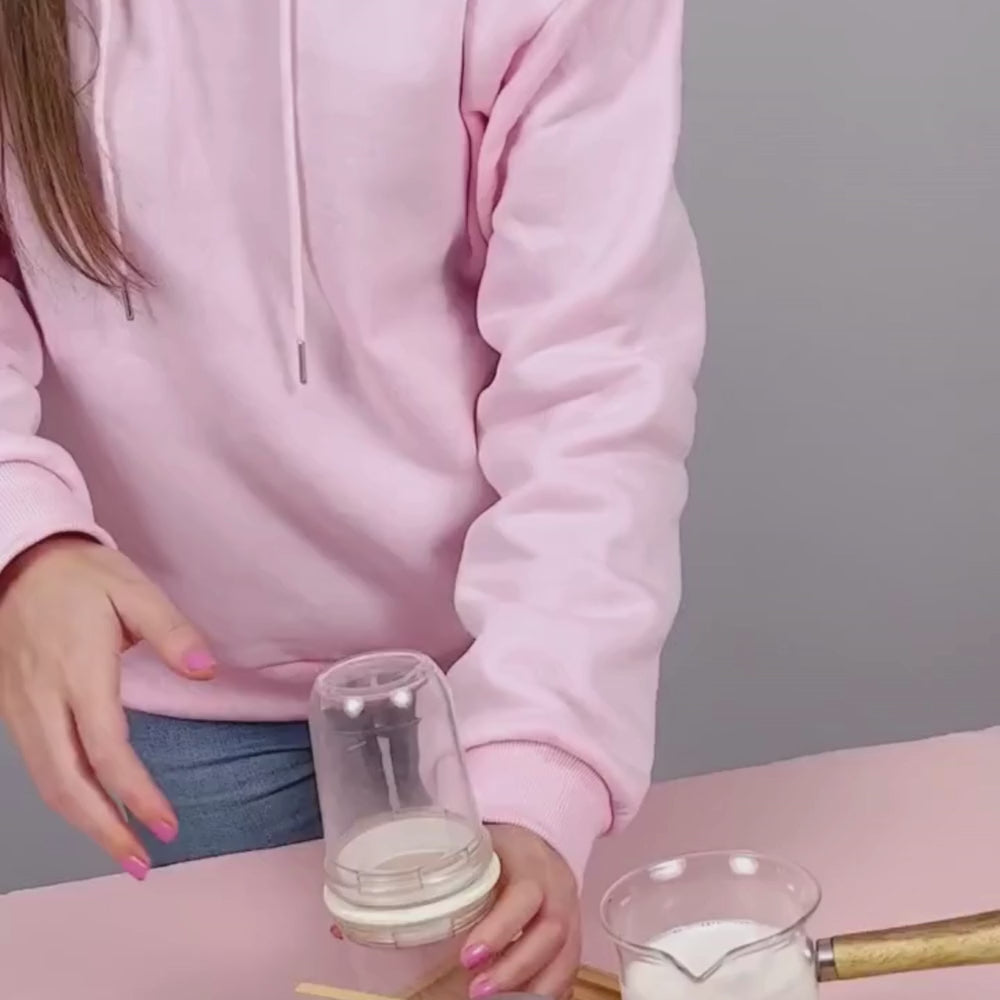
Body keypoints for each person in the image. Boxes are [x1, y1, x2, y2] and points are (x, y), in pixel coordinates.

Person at [0, 0, 703, 995]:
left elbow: (595, 378)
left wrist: (536, 754)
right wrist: (24, 541)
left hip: (484, 672)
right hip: (184, 693)